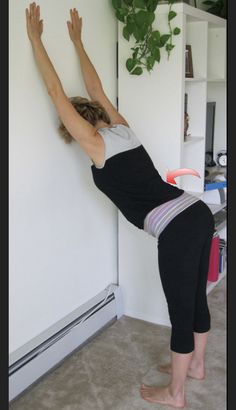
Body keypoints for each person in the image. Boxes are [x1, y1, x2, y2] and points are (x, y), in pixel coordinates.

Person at [25, 3, 215, 408]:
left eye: (71, 126)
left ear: (77, 125)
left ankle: (176, 394)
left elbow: (57, 92)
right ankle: (196, 366)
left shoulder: (96, 145)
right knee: (195, 298)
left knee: (181, 311)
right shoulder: (122, 129)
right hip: (195, 211)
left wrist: (35, 40)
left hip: (178, 229)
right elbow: (97, 91)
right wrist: (78, 42)